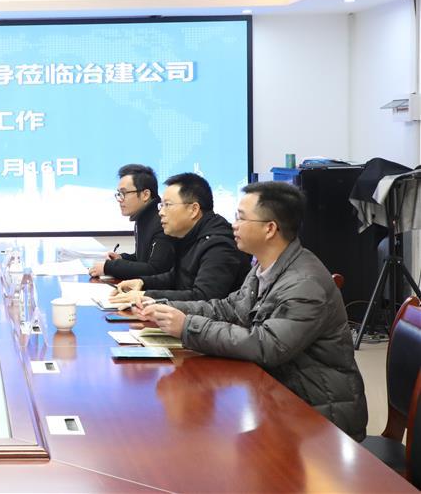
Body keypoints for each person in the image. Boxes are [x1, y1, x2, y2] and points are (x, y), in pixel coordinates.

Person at [136, 181, 368, 440]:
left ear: (270, 228)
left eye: (241, 218)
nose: (233, 225)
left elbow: (266, 345)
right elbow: (227, 308)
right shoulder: (265, 267)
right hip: (278, 396)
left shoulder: (304, 283)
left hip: (319, 416)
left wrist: (188, 326)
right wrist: (166, 308)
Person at [111, 173, 251, 305]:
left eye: (167, 205)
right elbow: (178, 277)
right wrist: (142, 283)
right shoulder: (190, 235)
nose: (161, 212)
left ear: (194, 210)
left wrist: (146, 295)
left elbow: (204, 298)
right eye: (161, 205)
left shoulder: (219, 245)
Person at [88, 164, 174, 280]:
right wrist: (121, 258)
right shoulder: (143, 218)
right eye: (119, 194)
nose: (120, 200)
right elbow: (142, 259)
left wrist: (109, 267)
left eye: (124, 193)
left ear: (145, 195)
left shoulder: (162, 221)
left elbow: (156, 270)